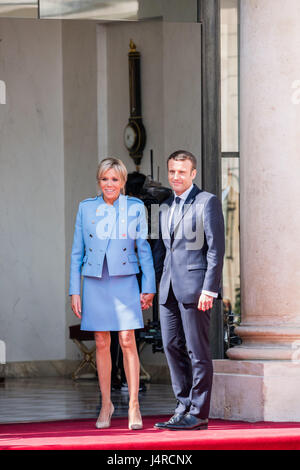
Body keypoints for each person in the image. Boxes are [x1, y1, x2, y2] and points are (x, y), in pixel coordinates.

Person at [69, 157, 156, 430]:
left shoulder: (135, 208)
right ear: (99, 181)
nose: (110, 184)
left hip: (125, 280)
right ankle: (106, 403)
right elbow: (76, 253)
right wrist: (75, 291)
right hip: (95, 281)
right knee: (102, 341)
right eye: (105, 179)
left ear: (123, 182)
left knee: (128, 339)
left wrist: (149, 286)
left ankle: (133, 405)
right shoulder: (86, 208)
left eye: (115, 179)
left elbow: (144, 249)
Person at [153, 150, 225, 431]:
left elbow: (216, 250)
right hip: (168, 291)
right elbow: (162, 251)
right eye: (172, 171)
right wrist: (155, 287)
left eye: (181, 172)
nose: (176, 177)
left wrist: (210, 289)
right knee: (171, 347)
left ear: (193, 173)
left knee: (198, 351)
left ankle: (199, 412)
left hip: (196, 290)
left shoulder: (207, 202)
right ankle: (182, 406)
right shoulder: (165, 206)